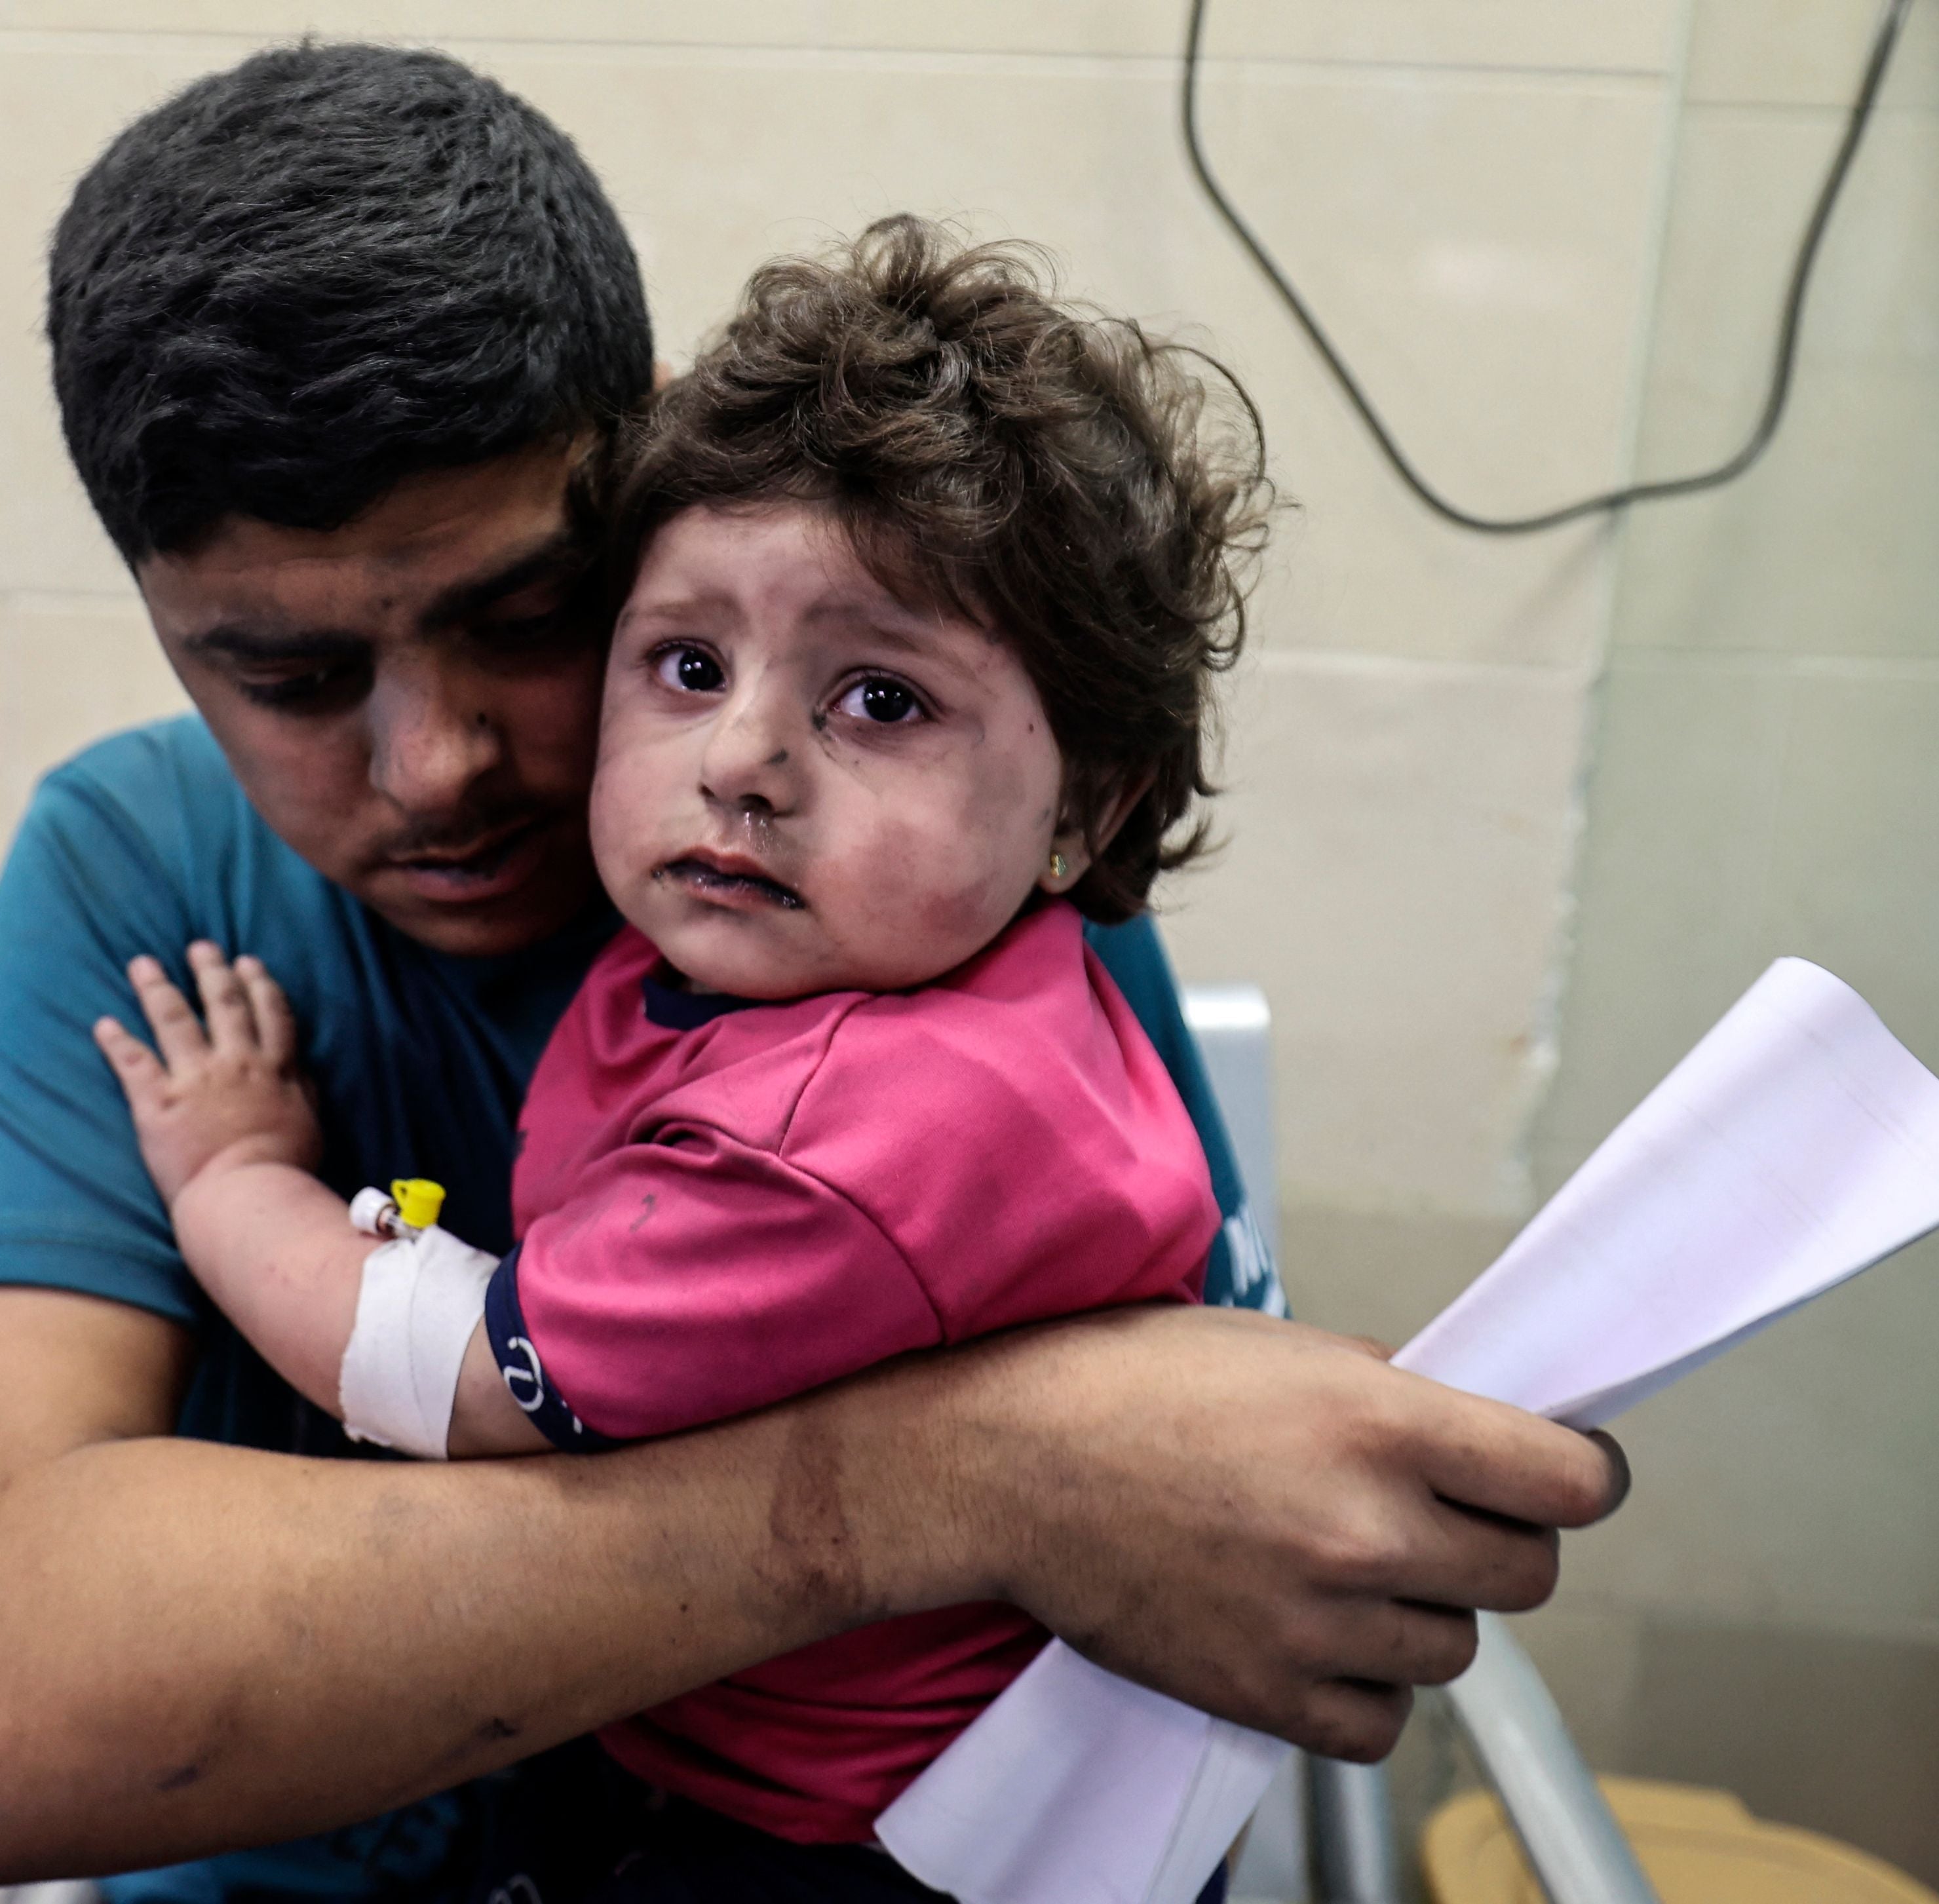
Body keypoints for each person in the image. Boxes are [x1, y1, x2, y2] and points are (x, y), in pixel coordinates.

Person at [0, 40, 1628, 1904]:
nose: (434, 762)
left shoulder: (926, 906)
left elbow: (1210, 1513)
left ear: (657, 465)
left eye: (528, 620)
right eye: (284, 679)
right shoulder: (144, 873)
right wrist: (966, 1479)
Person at [90, 218, 1267, 1902]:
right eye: (689, 665)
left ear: (1094, 806)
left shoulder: (859, 1137)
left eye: (880, 700)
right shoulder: (891, 966)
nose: (741, 759)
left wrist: (229, 1176)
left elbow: (447, 1374)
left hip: (848, 1847)